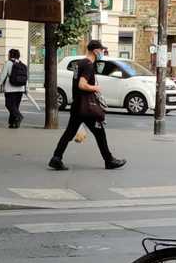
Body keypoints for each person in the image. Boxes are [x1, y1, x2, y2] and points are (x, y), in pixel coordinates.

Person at [49, 40, 126, 171]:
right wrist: (95, 87)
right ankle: (109, 160)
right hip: (87, 107)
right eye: (101, 50)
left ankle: (56, 158)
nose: (102, 52)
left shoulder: (79, 64)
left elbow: (76, 84)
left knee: (69, 133)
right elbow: (82, 84)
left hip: (78, 105)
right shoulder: (89, 65)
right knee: (100, 133)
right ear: (95, 51)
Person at [0, 49, 28, 129]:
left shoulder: (8, 63)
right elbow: (25, 78)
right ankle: (13, 123)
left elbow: (3, 76)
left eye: (8, 54)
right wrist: (26, 88)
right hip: (20, 89)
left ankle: (19, 116)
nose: (7, 55)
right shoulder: (22, 64)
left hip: (10, 89)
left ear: (10, 55)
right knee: (15, 107)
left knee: (9, 105)